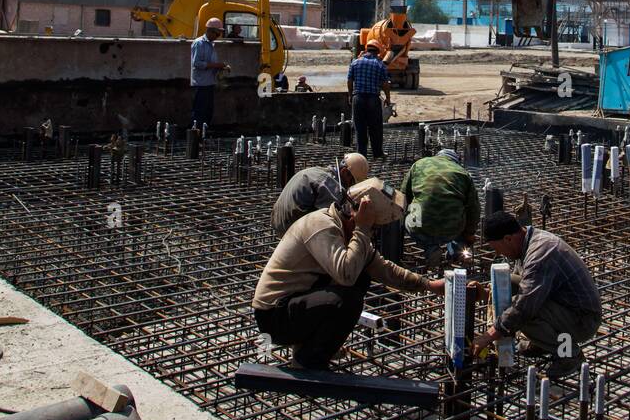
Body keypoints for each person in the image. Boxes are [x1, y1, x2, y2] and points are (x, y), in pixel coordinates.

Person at [252, 178, 445, 369]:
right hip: (274, 316)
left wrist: (428, 285)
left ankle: (311, 345)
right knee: (348, 299)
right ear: (359, 215)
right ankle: (307, 361)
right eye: (375, 227)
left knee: (362, 277)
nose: (374, 233)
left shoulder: (349, 233)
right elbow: (346, 274)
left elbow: (384, 269)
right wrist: (362, 228)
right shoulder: (322, 225)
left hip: (296, 306)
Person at [473, 211, 602, 381]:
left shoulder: (541, 252)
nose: (499, 254)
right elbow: (521, 285)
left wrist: (488, 336)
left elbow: (524, 306)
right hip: (564, 305)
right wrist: (487, 293)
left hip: (582, 319)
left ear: (508, 239)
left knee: (521, 313)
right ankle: (545, 342)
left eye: (497, 248)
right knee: (509, 282)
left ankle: (570, 355)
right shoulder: (528, 241)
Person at [402, 149, 480, 264]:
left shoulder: (418, 164)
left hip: (421, 227)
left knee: (410, 217)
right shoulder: (463, 173)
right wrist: (469, 234)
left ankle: (430, 248)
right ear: (456, 161)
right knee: (460, 215)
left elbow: (403, 196)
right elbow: (473, 210)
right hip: (451, 229)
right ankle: (458, 250)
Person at [271, 152, 368, 236]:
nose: (351, 186)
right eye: (352, 182)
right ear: (344, 172)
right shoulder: (330, 185)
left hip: (277, 220)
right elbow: (331, 219)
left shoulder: (319, 171)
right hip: (288, 228)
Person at [347, 38, 391, 160]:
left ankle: (362, 155)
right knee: (375, 127)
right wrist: (388, 98)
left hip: (358, 98)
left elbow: (350, 80)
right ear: (378, 51)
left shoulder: (355, 62)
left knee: (360, 127)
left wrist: (350, 95)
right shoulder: (380, 64)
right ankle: (377, 153)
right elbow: (385, 83)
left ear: (366, 49)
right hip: (373, 99)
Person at [190, 18, 228, 129]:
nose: (218, 36)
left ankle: (202, 136)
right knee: (199, 113)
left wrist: (221, 67)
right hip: (200, 85)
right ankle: (196, 137)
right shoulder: (199, 43)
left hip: (208, 84)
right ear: (210, 31)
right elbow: (197, 63)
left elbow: (210, 64)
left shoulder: (211, 45)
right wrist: (217, 65)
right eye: (217, 33)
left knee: (207, 113)